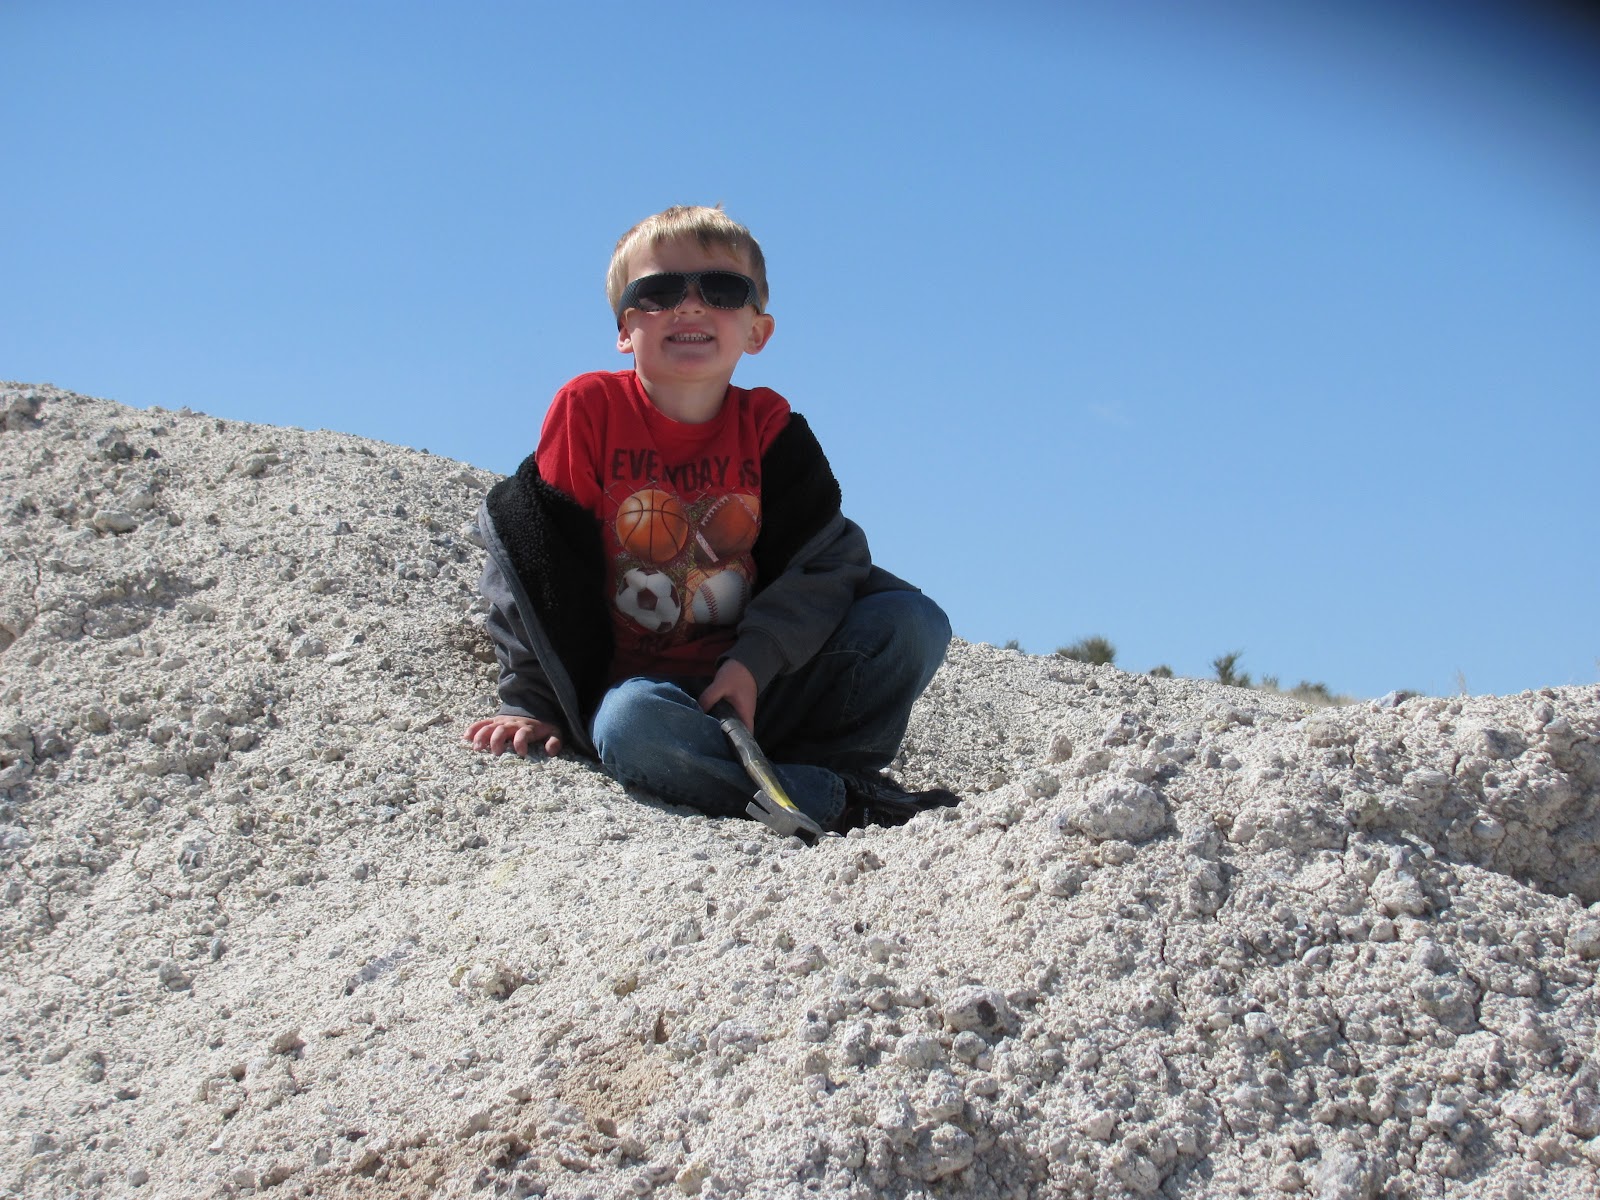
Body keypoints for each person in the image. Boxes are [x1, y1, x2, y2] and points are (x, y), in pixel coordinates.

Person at [463, 205, 956, 834]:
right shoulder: (588, 409)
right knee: (630, 728)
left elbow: (828, 561)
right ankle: (828, 801)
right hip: (648, 696)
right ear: (623, 328)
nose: (690, 307)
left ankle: (840, 774)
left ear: (757, 330)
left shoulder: (771, 426)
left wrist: (752, 663)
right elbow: (534, 561)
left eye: (722, 290)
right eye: (660, 291)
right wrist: (532, 703)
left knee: (911, 622)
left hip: (764, 685)